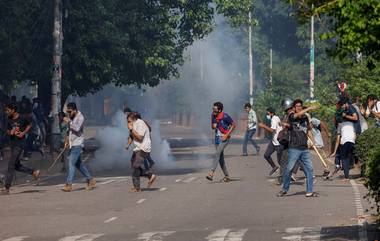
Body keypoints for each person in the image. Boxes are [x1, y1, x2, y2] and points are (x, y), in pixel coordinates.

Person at [278, 99, 318, 197]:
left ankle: (309, 191)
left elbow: (308, 130)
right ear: (294, 108)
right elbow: (296, 115)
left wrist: (313, 140)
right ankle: (284, 189)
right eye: (297, 106)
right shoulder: (292, 116)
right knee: (289, 169)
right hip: (294, 148)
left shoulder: (305, 118)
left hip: (304, 148)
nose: (299, 107)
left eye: (300, 106)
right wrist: (309, 108)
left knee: (310, 170)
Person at [1, 103, 40, 195]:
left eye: (8, 110)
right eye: (6, 110)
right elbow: (5, 129)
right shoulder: (8, 119)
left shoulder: (22, 118)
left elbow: (30, 124)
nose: (6, 112)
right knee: (16, 166)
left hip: (20, 144)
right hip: (12, 144)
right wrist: (10, 132)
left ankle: (7, 188)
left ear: (13, 110)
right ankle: (34, 172)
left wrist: (23, 132)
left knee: (11, 165)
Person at [61, 102, 96, 192]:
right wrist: (67, 141)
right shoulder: (72, 117)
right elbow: (70, 131)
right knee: (78, 164)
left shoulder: (80, 117)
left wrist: (69, 122)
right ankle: (90, 179)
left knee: (71, 164)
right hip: (72, 143)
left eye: (70, 111)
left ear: (74, 110)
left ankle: (69, 184)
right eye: (67, 112)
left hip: (78, 144)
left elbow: (76, 128)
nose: (69, 113)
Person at [127, 112, 156, 192]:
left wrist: (131, 129)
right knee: (134, 167)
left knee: (136, 167)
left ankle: (138, 186)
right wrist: (128, 144)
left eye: (129, 121)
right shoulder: (135, 125)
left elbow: (140, 137)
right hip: (138, 148)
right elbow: (131, 136)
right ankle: (149, 176)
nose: (128, 123)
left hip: (142, 148)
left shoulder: (140, 124)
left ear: (134, 119)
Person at [206, 102, 236, 182]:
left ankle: (211, 173)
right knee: (220, 159)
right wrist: (214, 125)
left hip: (224, 139)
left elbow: (233, 125)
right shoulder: (213, 115)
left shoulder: (225, 116)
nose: (213, 111)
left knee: (217, 153)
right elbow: (212, 127)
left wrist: (226, 135)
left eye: (215, 110)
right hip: (217, 139)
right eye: (213, 109)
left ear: (220, 110)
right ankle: (227, 176)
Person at [258, 107, 283, 176]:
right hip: (274, 141)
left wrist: (263, 126)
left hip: (278, 142)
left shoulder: (274, 118)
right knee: (266, 155)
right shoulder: (273, 118)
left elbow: (272, 130)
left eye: (268, 113)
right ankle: (274, 167)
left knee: (280, 161)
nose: (267, 114)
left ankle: (287, 174)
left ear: (271, 113)